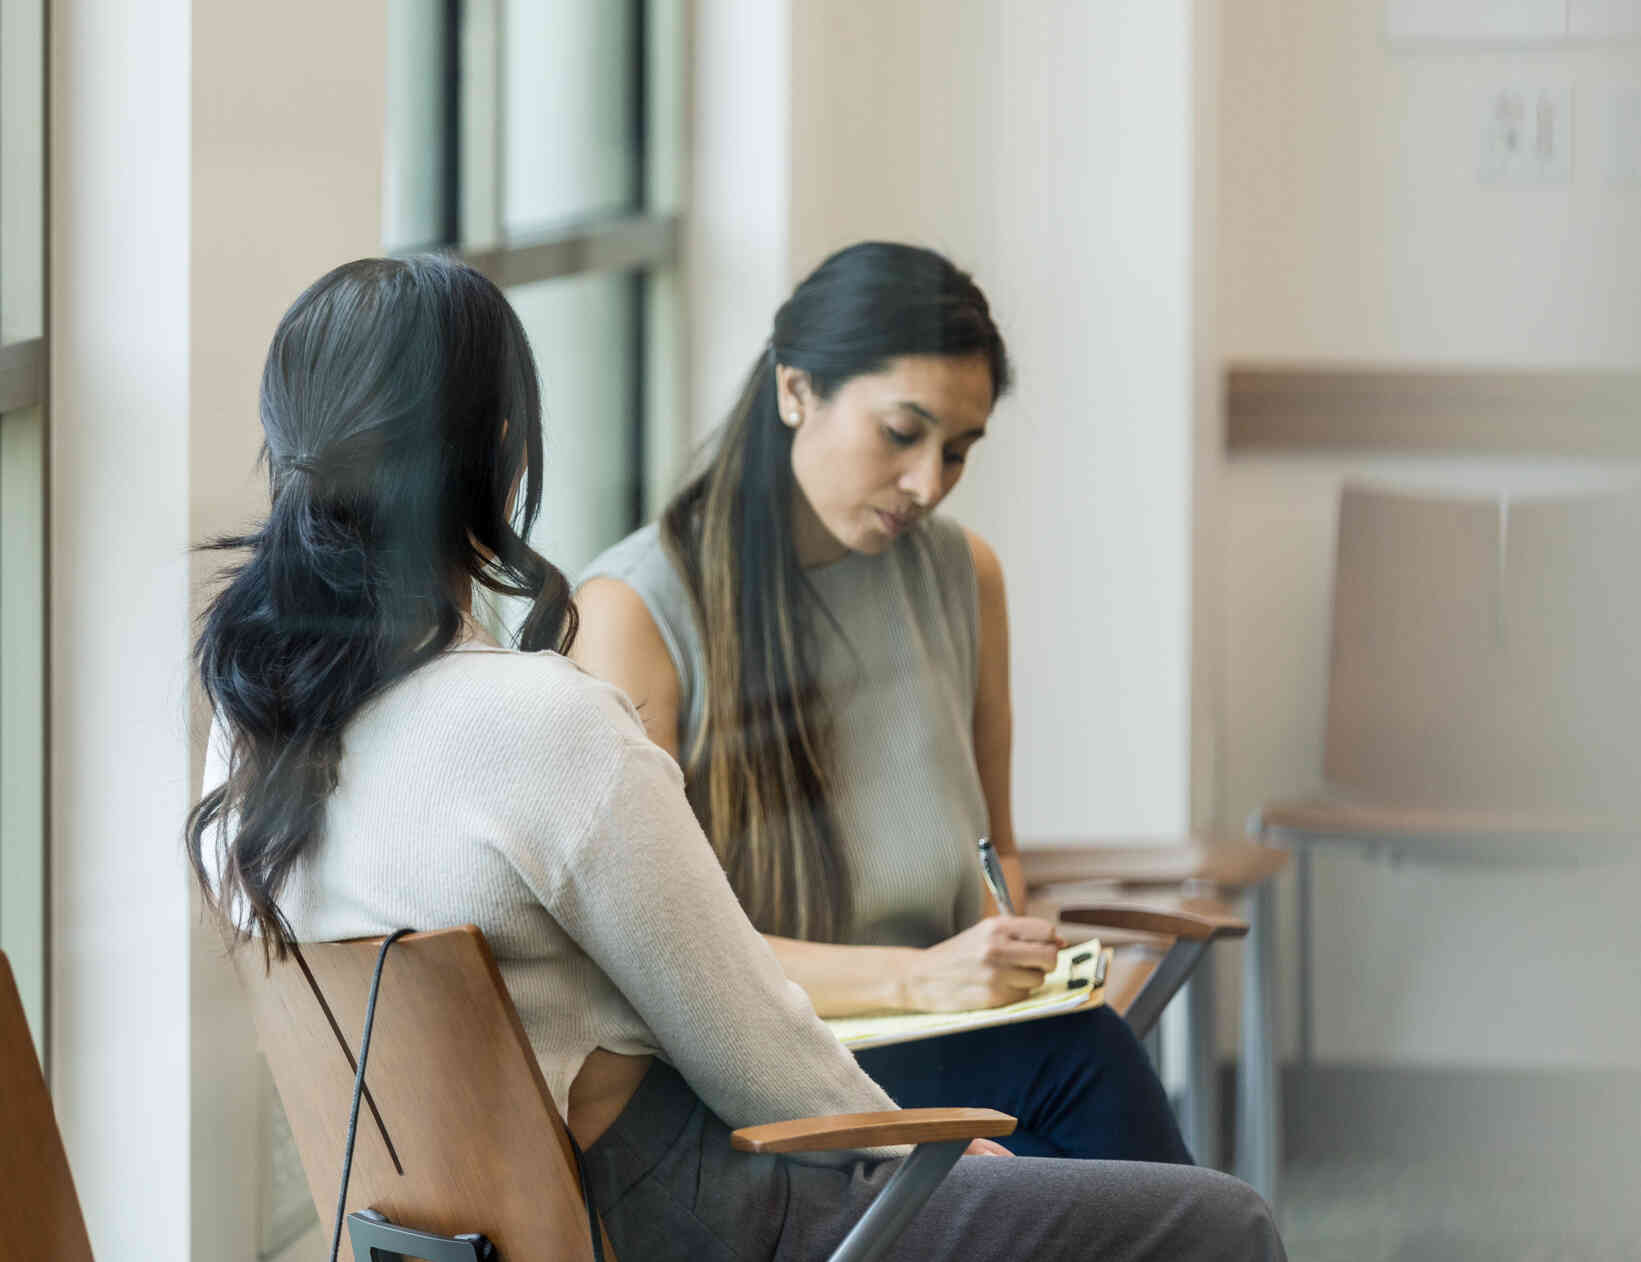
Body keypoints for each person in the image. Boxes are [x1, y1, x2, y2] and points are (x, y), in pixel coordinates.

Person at [187, 254, 1283, 1260]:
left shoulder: (249, 726)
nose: (931, 479)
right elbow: (750, 1049)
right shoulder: (545, 720)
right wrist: (908, 1148)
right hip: (701, 1213)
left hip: (445, 1232)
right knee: (1218, 1221)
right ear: (500, 453)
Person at [570, 240, 1189, 1162]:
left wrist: (1004, 952)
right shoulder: (634, 613)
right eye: (902, 434)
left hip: (940, 1042)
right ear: (795, 391)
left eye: (958, 451)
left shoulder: (960, 574)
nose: (927, 484)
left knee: (1113, 1145)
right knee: (1117, 1137)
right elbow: (650, 960)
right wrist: (918, 982)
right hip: (748, 1079)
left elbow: (997, 852)